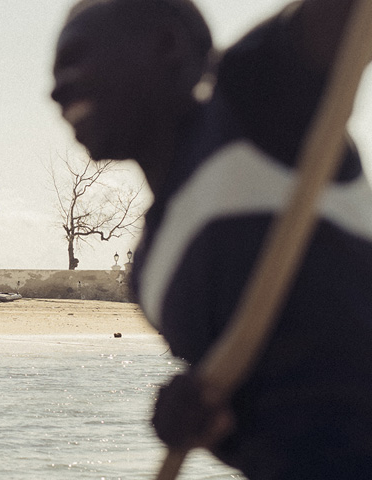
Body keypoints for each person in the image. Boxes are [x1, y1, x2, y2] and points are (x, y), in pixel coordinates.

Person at [52, 0, 372, 478]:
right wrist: (192, 417)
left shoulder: (257, 90)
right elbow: (255, 415)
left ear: (167, 46)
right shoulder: (150, 271)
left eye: (75, 59)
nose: (56, 92)